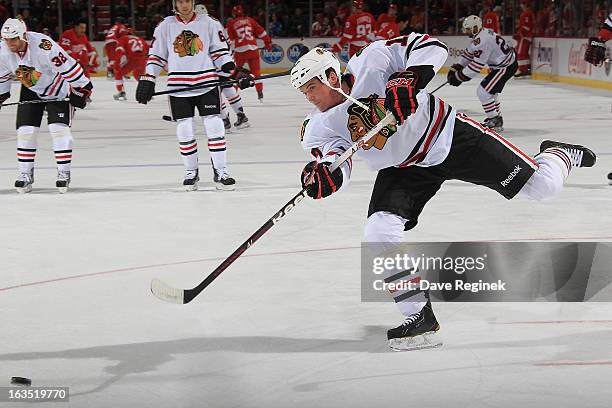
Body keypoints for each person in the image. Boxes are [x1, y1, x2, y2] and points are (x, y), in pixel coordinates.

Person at [290, 41, 596, 351]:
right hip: (406, 167)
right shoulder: (318, 126)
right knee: (378, 231)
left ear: (331, 76)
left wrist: (408, 77)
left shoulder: (371, 60)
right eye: (304, 92)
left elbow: (430, 45)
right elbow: (335, 159)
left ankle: (558, 154)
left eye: (312, 87)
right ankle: (419, 316)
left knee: (543, 187)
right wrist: (327, 177)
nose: (310, 97)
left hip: (449, 136)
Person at [135, 0, 252, 191]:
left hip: (207, 83)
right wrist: (148, 78)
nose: (184, 5)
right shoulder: (165, 25)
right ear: (175, 3)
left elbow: (220, 52)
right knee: (185, 129)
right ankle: (191, 172)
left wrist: (234, 72)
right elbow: (156, 56)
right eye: (180, 1)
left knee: (215, 125)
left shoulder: (210, 23)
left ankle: (221, 171)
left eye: (187, 0)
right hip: (178, 87)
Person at [0, 18, 93, 193]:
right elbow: (2, 77)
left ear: (23, 36)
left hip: (57, 88)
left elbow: (68, 65)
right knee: (25, 131)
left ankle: (63, 173)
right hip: (30, 87)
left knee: (58, 129)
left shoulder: (43, 45)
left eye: (13, 39)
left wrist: (83, 89)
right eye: (6, 39)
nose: (9, 43)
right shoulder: (2, 51)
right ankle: (25, 173)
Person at [447, 15, 517, 131]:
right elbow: (468, 54)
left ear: (475, 27)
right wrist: (456, 68)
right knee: (490, 92)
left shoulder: (482, 41)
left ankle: (495, 119)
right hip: (503, 65)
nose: (466, 32)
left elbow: (476, 67)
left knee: (483, 91)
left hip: (505, 66)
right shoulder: (481, 34)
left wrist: (458, 77)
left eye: (468, 29)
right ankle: (496, 117)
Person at [195, 3, 249, 131]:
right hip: (225, 59)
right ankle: (241, 115)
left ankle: (224, 119)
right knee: (226, 86)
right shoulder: (215, 22)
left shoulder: (200, 24)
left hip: (214, 61)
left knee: (213, 90)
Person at [226, 4, 272, 102]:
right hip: (253, 50)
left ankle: (233, 95)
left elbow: (229, 39)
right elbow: (262, 32)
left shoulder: (231, 23)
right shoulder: (250, 20)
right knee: (256, 72)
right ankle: (260, 92)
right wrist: (268, 43)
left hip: (240, 51)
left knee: (235, 73)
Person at [112, 33, 149, 101]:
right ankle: (147, 91)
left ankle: (121, 92)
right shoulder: (139, 38)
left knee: (118, 72)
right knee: (138, 75)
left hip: (133, 59)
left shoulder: (123, 38)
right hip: (143, 60)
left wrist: (117, 63)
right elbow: (148, 49)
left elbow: (119, 50)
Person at [514, 0, 534, 77]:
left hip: (524, 36)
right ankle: (526, 69)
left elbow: (526, 26)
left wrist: (519, 33)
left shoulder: (526, 14)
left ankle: (522, 70)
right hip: (526, 36)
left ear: (525, 4)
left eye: (522, 3)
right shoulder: (528, 13)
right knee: (524, 54)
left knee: (521, 53)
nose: (521, 5)